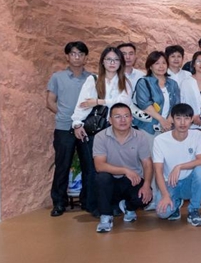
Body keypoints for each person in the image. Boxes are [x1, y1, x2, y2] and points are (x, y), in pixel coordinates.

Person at [71, 45, 134, 213]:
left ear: (120, 63)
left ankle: (111, 204)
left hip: (116, 131)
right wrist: (77, 123)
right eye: (109, 59)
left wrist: (98, 101)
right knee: (92, 169)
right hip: (94, 130)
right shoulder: (93, 80)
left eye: (116, 60)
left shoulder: (125, 82)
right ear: (103, 62)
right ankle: (94, 206)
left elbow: (124, 102)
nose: (112, 63)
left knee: (112, 168)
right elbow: (83, 103)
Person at [47, 41, 94, 217]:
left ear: (86, 57)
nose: (77, 57)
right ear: (67, 56)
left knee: (89, 165)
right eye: (73, 53)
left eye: (81, 54)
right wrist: (63, 115)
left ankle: (88, 201)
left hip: (85, 128)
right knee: (62, 165)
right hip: (64, 128)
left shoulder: (92, 78)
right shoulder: (57, 77)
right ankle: (59, 203)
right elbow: (50, 101)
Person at [93, 103, 153, 233]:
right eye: (118, 117)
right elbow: (99, 165)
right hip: (110, 182)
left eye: (126, 116)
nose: (123, 120)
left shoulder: (140, 136)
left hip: (132, 181)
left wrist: (147, 185)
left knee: (145, 196)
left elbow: (147, 163)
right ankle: (105, 217)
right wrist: (125, 170)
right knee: (102, 178)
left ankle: (128, 207)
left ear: (132, 118)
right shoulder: (101, 137)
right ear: (110, 120)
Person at [151, 103, 201, 227]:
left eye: (186, 118)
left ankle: (193, 210)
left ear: (191, 119)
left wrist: (179, 167)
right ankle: (175, 203)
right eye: (178, 118)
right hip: (170, 183)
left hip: (188, 183)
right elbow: (158, 171)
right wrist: (165, 195)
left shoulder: (198, 135)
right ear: (172, 119)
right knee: (163, 213)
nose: (182, 123)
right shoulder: (160, 140)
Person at [133, 50, 181, 135]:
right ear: (150, 67)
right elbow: (145, 105)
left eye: (164, 63)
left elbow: (176, 105)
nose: (161, 66)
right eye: (157, 63)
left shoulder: (173, 84)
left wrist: (168, 122)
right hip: (148, 127)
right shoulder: (143, 82)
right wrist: (162, 120)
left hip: (168, 127)